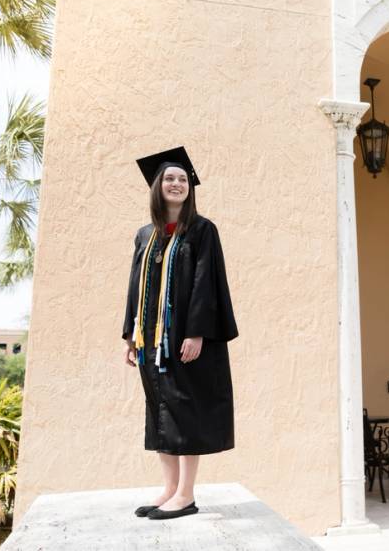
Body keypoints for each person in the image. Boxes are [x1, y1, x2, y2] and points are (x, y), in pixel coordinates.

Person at [121, 146, 238, 520]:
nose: (176, 184)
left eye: (182, 179)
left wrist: (197, 333)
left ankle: (186, 494)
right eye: (169, 179)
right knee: (160, 411)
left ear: (190, 188)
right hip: (150, 342)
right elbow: (135, 287)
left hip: (184, 341)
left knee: (187, 411)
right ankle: (169, 489)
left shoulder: (202, 231)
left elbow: (206, 284)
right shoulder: (146, 236)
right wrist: (130, 336)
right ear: (157, 187)